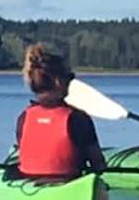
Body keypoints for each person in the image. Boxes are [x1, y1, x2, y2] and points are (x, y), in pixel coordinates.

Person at [16, 44, 106, 177]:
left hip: (29, 182)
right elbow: (98, 165)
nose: (71, 82)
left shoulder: (24, 117)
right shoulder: (78, 119)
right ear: (58, 81)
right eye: (70, 77)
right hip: (68, 183)